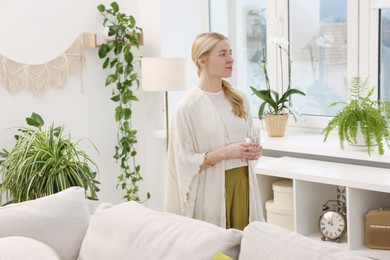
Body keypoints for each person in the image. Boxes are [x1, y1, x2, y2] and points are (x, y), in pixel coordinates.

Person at [165, 32, 264, 230]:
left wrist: (255, 151)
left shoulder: (240, 98)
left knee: (244, 245)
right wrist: (226, 152)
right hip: (211, 189)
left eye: (231, 53)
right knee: (217, 250)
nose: (231, 59)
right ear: (203, 61)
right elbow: (183, 161)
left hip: (243, 181)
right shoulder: (187, 107)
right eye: (222, 54)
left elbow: (251, 136)